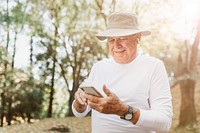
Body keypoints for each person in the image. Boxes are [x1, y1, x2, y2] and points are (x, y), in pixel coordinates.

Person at [72, 11, 173, 133]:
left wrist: (123, 110)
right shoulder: (99, 67)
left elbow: (164, 122)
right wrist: (79, 102)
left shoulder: (153, 66)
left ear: (138, 38)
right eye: (111, 40)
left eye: (123, 38)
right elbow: (79, 113)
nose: (116, 45)